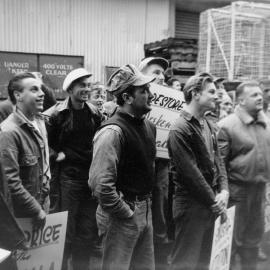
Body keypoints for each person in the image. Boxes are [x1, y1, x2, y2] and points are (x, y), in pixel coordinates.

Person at [89, 64, 156, 270]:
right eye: (143, 91)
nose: (150, 95)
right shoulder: (112, 132)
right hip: (122, 214)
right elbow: (100, 185)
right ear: (127, 97)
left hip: (144, 210)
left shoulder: (148, 126)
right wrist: (126, 213)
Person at [168, 72, 229, 270]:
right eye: (211, 91)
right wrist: (215, 202)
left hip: (208, 204)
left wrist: (224, 191)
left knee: (204, 262)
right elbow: (191, 174)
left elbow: (218, 161)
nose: (216, 96)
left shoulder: (208, 124)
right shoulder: (180, 129)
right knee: (185, 263)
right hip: (190, 207)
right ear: (195, 93)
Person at [44, 68, 103, 270]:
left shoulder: (95, 114)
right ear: (70, 89)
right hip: (67, 179)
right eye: (82, 86)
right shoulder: (55, 115)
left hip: (89, 180)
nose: (86, 90)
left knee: (86, 232)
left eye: (88, 85)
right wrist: (55, 154)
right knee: (65, 233)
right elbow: (42, 144)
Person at [218, 81, 270, 270]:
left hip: (260, 191)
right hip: (236, 193)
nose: (260, 98)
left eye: (260, 94)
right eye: (254, 95)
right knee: (232, 243)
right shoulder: (226, 126)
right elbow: (220, 165)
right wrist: (224, 192)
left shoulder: (266, 124)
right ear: (240, 100)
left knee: (253, 243)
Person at [0, 72, 50, 224]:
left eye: (41, 89)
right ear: (18, 95)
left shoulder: (40, 122)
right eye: (34, 89)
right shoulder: (9, 132)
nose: (42, 94)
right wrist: (36, 210)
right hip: (23, 215)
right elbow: (11, 182)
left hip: (42, 205)